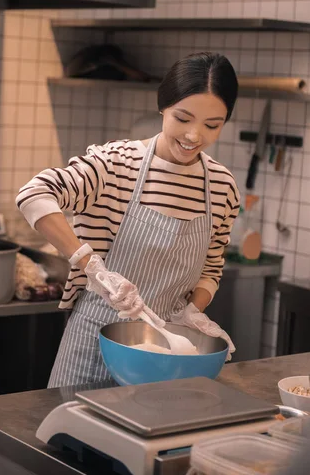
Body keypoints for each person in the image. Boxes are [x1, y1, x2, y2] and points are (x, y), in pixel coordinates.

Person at [16, 52, 240, 387]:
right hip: (93, 345)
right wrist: (90, 265)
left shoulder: (222, 187)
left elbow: (211, 268)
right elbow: (33, 194)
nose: (194, 136)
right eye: (183, 118)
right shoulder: (115, 164)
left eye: (212, 125)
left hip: (165, 352)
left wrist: (193, 311)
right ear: (163, 106)